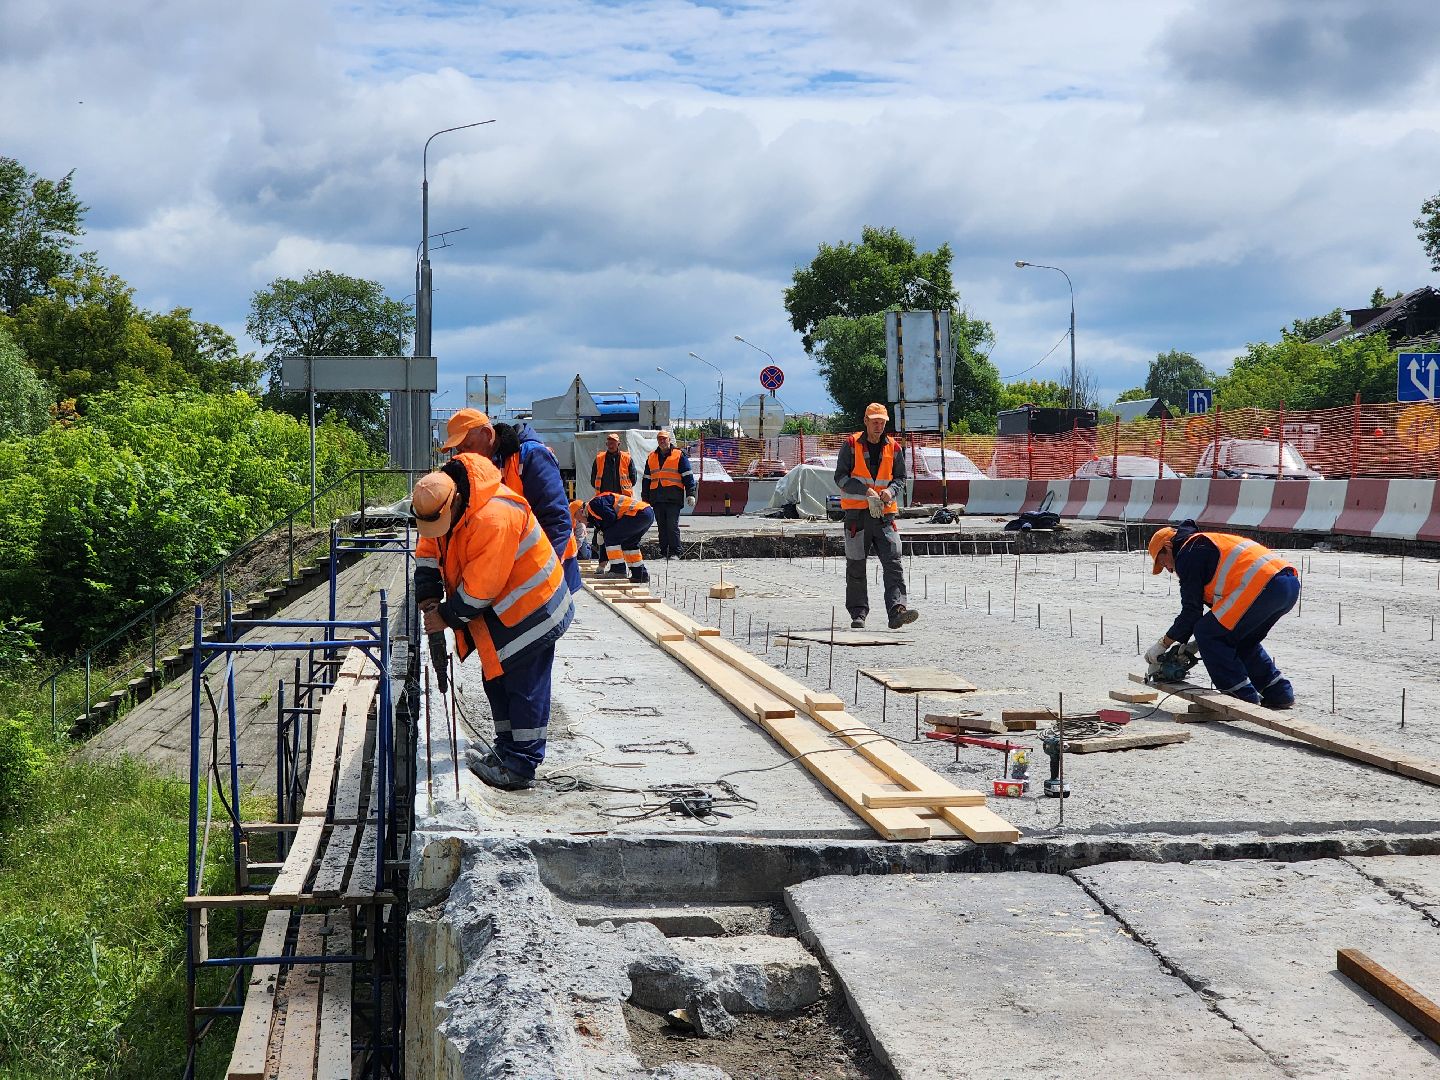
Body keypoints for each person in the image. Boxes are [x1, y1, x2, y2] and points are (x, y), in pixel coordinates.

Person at [412, 454, 574, 790]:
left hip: (533, 605)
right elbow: (430, 545)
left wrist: (442, 616)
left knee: (524, 685)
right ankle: (505, 751)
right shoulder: (439, 497)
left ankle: (522, 766)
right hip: (499, 610)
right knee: (495, 678)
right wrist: (427, 591)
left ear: (455, 501)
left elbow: (479, 591)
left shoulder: (494, 517)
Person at [1143, 521, 1299, 707]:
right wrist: (1190, 645)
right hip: (1286, 583)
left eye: (1163, 562)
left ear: (1168, 547)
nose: (1169, 569)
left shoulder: (1187, 553)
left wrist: (1163, 644)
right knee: (1242, 640)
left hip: (1260, 585)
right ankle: (1278, 693)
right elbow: (1220, 617)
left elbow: (1191, 612)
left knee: (1206, 632)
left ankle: (1240, 697)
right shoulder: (1203, 544)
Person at [834, 402, 918, 630]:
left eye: (882, 422)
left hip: (884, 516)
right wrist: (865, 490)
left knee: (893, 563)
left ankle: (897, 611)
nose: (879, 426)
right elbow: (840, 478)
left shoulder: (894, 448)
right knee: (856, 566)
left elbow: (900, 478)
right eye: (875, 422)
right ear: (866, 421)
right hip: (856, 517)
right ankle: (858, 613)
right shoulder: (851, 445)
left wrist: (890, 491)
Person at [492, 421, 581, 593]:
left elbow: (556, 519)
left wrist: (543, 570)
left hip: (550, 561)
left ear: (487, 436)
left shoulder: (532, 454)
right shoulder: (497, 459)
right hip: (524, 563)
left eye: (467, 445)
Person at [642, 429, 697, 560]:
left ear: (669, 440)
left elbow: (687, 475)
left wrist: (691, 493)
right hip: (657, 497)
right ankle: (664, 552)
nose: (662, 441)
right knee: (662, 527)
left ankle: (675, 552)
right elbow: (647, 479)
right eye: (660, 439)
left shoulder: (679, 455)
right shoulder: (652, 457)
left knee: (672, 526)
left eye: (664, 439)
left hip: (673, 497)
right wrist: (645, 497)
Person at [583, 491, 655, 583]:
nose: (580, 522)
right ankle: (640, 575)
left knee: (611, 536)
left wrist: (604, 533)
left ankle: (618, 570)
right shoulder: (594, 509)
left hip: (637, 514)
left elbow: (610, 518)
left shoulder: (593, 505)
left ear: (580, 511)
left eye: (577, 519)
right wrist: (603, 559)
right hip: (646, 512)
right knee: (629, 544)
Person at [592, 431, 636, 496]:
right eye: (609, 443)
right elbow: (593, 479)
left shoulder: (627, 458)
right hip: (604, 497)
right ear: (606, 444)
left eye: (613, 443)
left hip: (623, 496)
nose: (611, 446)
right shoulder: (599, 459)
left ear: (618, 444)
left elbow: (633, 479)